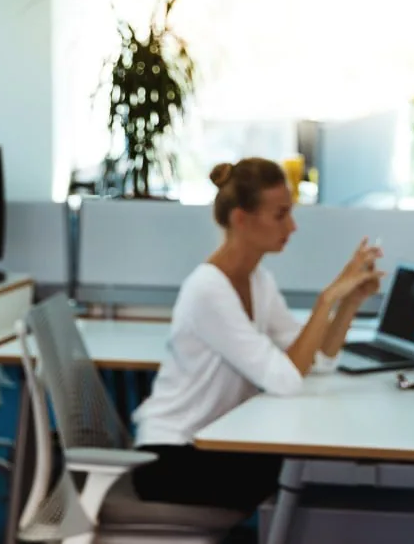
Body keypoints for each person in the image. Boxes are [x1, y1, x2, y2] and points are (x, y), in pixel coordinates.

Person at [131, 157, 383, 513]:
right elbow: (286, 379)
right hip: (172, 458)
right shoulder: (208, 290)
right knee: (303, 470)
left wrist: (349, 303)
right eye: (280, 215)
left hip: (215, 444)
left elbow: (316, 361)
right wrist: (326, 299)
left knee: (307, 468)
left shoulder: (258, 281)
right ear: (241, 219)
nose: (292, 226)